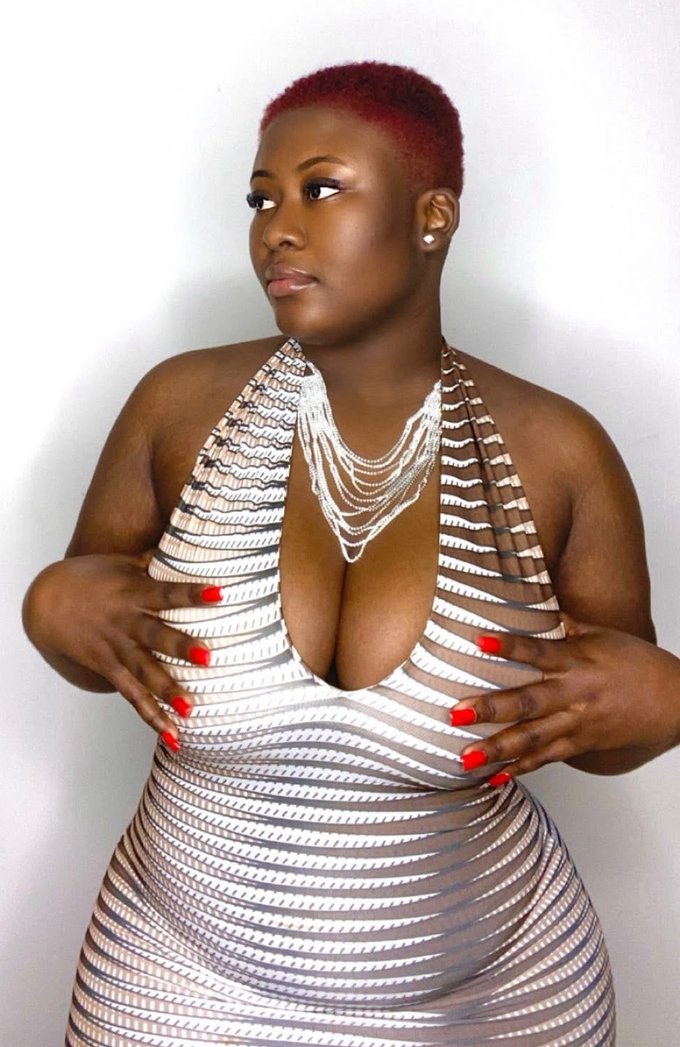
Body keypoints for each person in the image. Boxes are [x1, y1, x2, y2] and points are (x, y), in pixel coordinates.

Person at [23, 61, 680, 1046]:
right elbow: (98, 644)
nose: (276, 230)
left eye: (320, 189)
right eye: (261, 199)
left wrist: (662, 703)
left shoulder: (558, 454)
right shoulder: (178, 410)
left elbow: (603, 725)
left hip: (495, 999)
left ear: (431, 217)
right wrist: (53, 608)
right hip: (172, 980)